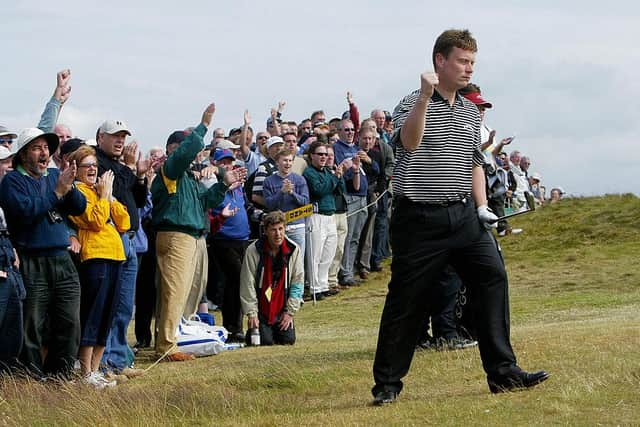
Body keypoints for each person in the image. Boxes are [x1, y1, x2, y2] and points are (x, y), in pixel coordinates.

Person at [371, 29, 549, 405]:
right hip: (417, 219)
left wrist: (482, 206)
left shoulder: (470, 111)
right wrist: (423, 96)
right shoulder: (410, 102)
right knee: (406, 301)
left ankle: (503, 372)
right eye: (462, 61)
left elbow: (473, 164)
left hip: (462, 216)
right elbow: (409, 142)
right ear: (440, 61)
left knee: (492, 277)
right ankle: (387, 384)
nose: (469, 69)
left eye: (472, 62)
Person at [151, 103, 245, 361]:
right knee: (174, 290)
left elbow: (207, 202)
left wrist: (225, 185)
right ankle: (166, 347)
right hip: (175, 235)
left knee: (184, 291)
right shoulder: (171, 171)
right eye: (191, 150)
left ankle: (173, 338)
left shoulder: (190, 179)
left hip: (192, 236)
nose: (195, 155)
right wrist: (203, 126)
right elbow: (181, 156)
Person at [0, 128, 86, 378]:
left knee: (69, 322)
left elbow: (78, 208)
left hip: (62, 259)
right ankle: (31, 377)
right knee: (32, 325)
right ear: (24, 154)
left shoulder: (53, 177)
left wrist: (69, 187)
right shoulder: (13, 181)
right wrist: (57, 192)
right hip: (33, 260)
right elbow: (27, 211)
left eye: (47, 148)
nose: (44, 153)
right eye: (37, 148)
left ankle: (61, 377)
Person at [67, 145, 130, 388]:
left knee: (107, 316)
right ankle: (85, 373)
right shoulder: (77, 193)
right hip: (95, 257)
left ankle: (94, 370)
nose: (93, 169)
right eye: (87, 166)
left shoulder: (101, 191)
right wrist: (104, 197)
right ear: (76, 170)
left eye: (95, 165)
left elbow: (123, 222)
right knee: (93, 314)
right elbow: (94, 221)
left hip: (115, 255)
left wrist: (109, 196)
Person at [239, 211, 304, 345]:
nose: (278, 234)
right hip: (262, 307)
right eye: (273, 230)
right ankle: (258, 329)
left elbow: (297, 281)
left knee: (288, 340)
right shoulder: (253, 250)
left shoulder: (293, 250)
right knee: (264, 341)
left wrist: (290, 312)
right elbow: (247, 283)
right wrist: (252, 313)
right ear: (266, 231)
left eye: (281, 229)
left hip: (281, 306)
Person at [263, 149, 309, 254]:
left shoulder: (300, 179)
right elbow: (269, 205)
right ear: (277, 162)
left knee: (298, 260)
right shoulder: (268, 181)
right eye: (285, 160)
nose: (288, 163)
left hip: (297, 226)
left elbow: (305, 202)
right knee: (280, 260)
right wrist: (282, 192)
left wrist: (292, 193)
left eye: (290, 160)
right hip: (277, 228)